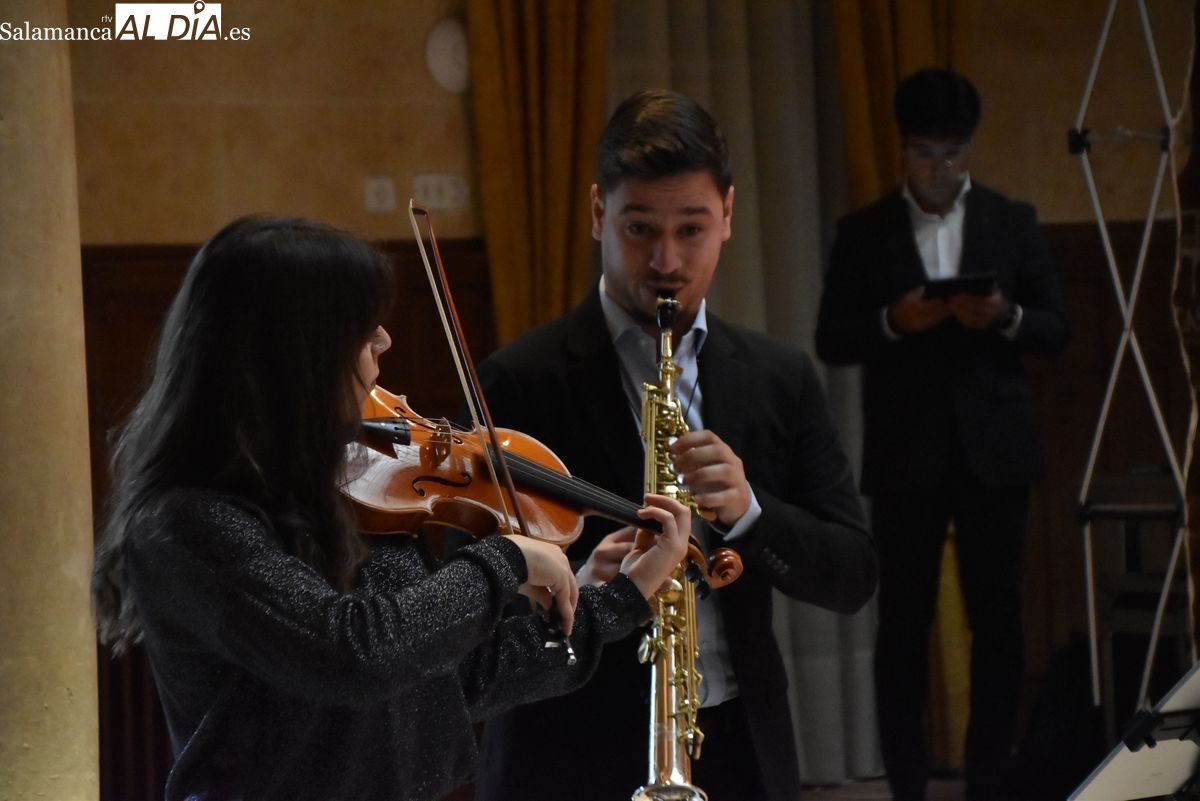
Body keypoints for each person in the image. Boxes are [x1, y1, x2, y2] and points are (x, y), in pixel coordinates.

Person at [89, 215, 694, 801]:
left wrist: (621, 597)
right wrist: (506, 559)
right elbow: (352, 653)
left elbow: (451, 676)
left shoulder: (344, 490)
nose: (383, 340)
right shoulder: (187, 524)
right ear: (296, 352)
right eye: (361, 326)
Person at [470, 88, 878, 801]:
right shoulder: (518, 380)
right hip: (569, 752)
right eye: (639, 228)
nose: (667, 260)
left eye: (692, 228)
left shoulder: (780, 377)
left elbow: (852, 576)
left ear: (729, 214)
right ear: (598, 213)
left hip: (738, 745)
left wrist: (751, 513)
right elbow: (463, 601)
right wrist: (571, 582)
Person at [815, 68, 1070, 801]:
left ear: (970, 149)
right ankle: (906, 785)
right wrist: (896, 321)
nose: (940, 167)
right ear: (904, 148)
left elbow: (1057, 329)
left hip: (996, 450)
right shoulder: (865, 232)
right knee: (902, 626)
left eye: (953, 153)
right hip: (906, 452)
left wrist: (1006, 317)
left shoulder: (1010, 219)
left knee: (1000, 625)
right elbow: (832, 337)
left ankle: (988, 780)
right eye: (926, 153)